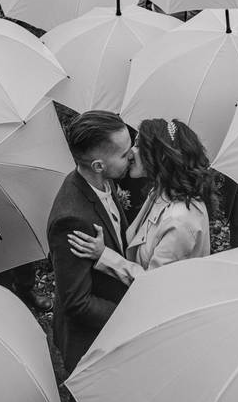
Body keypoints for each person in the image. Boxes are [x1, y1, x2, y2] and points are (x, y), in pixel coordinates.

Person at [47, 110, 133, 402]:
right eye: (125, 154)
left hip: (108, 333)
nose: (132, 155)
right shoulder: (73, 219)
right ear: (98, 165)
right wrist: (129, 316)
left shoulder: (102, 184)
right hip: (89, 344)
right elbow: (76, 303)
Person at [67, 118, 214, 286]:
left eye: (138, 146)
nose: (131, 153)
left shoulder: (179, 222)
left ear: (160, 158)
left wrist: (104, 256)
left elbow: (153, 284)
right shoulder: (160, 190)